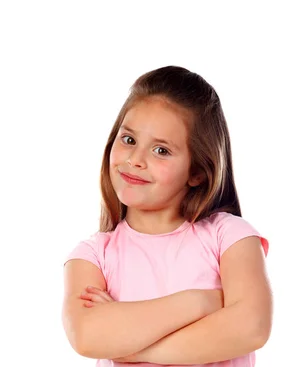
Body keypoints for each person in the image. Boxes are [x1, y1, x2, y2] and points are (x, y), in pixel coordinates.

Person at [62, 66, 272, 367]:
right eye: (129, 140)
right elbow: (87, 336)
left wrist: (131, 347)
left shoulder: (230, 237)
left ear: (197, 172)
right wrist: (202, 302)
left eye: (161, 150)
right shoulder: (92, 256)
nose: (135, 160)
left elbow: (251, 327)